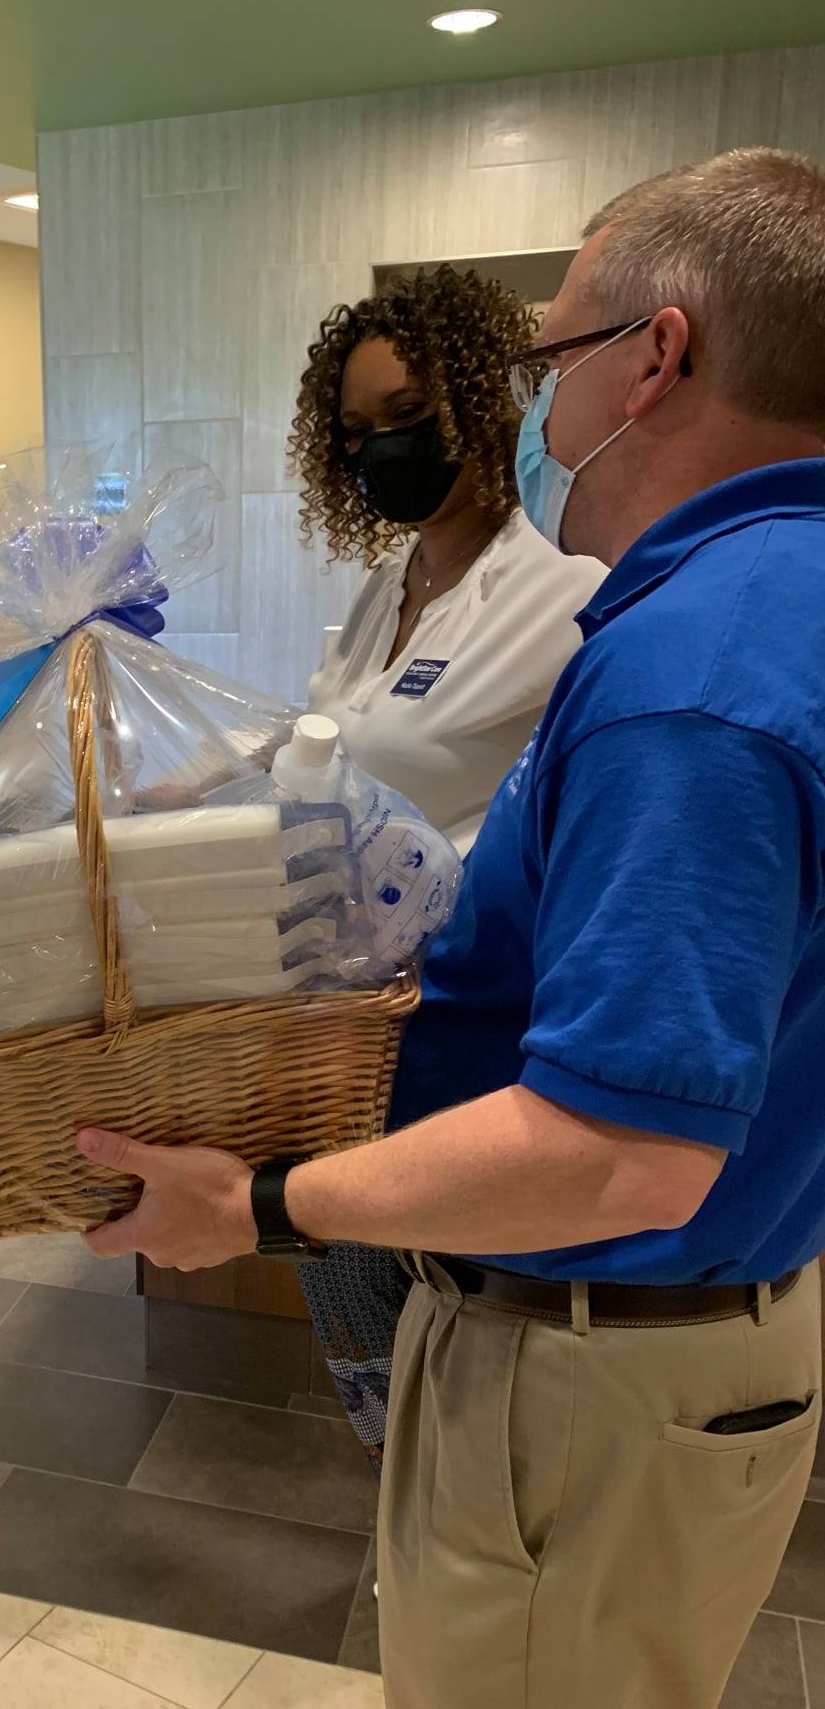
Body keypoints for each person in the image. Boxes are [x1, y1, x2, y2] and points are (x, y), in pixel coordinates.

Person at [75, 146, 825, 1709]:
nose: (533, 401)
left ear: (653, 356)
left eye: (550, 349)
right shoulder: (778, 596)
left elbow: (617, 1151)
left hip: (590, 1354)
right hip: (688, 1330)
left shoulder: (689, 666)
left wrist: (254, 1199)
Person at [290, 267, 605, 1465]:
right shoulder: (388, 586)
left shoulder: (567, 590)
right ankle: (407, 1503)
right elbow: (332, 744)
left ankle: (459, 1522)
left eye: (407, 419)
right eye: (359, 433)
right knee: (364, 1311)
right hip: (360, 1023)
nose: (383, 453)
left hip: (474, 1014)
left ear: (485, 403)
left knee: (463, 1334)